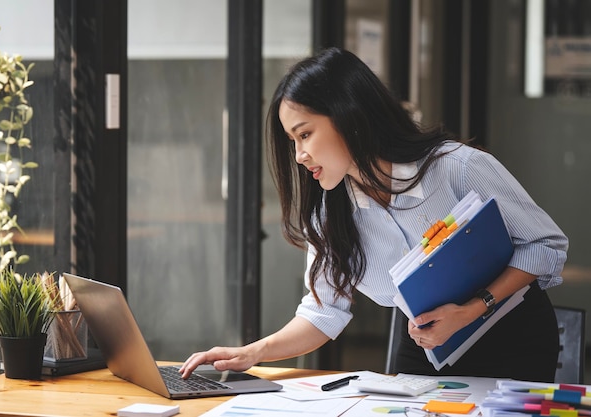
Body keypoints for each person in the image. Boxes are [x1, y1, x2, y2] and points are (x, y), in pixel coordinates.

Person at [180, 47, 568, 382]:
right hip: (426, 348)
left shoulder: (457, 167)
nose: (299, 156)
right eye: (293, 141)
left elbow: (544, 246)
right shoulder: (329, 213)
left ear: (348, 116)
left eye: (305, 134)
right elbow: (323, 311)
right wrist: (252, 353)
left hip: (513, 337)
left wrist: (471, 309)